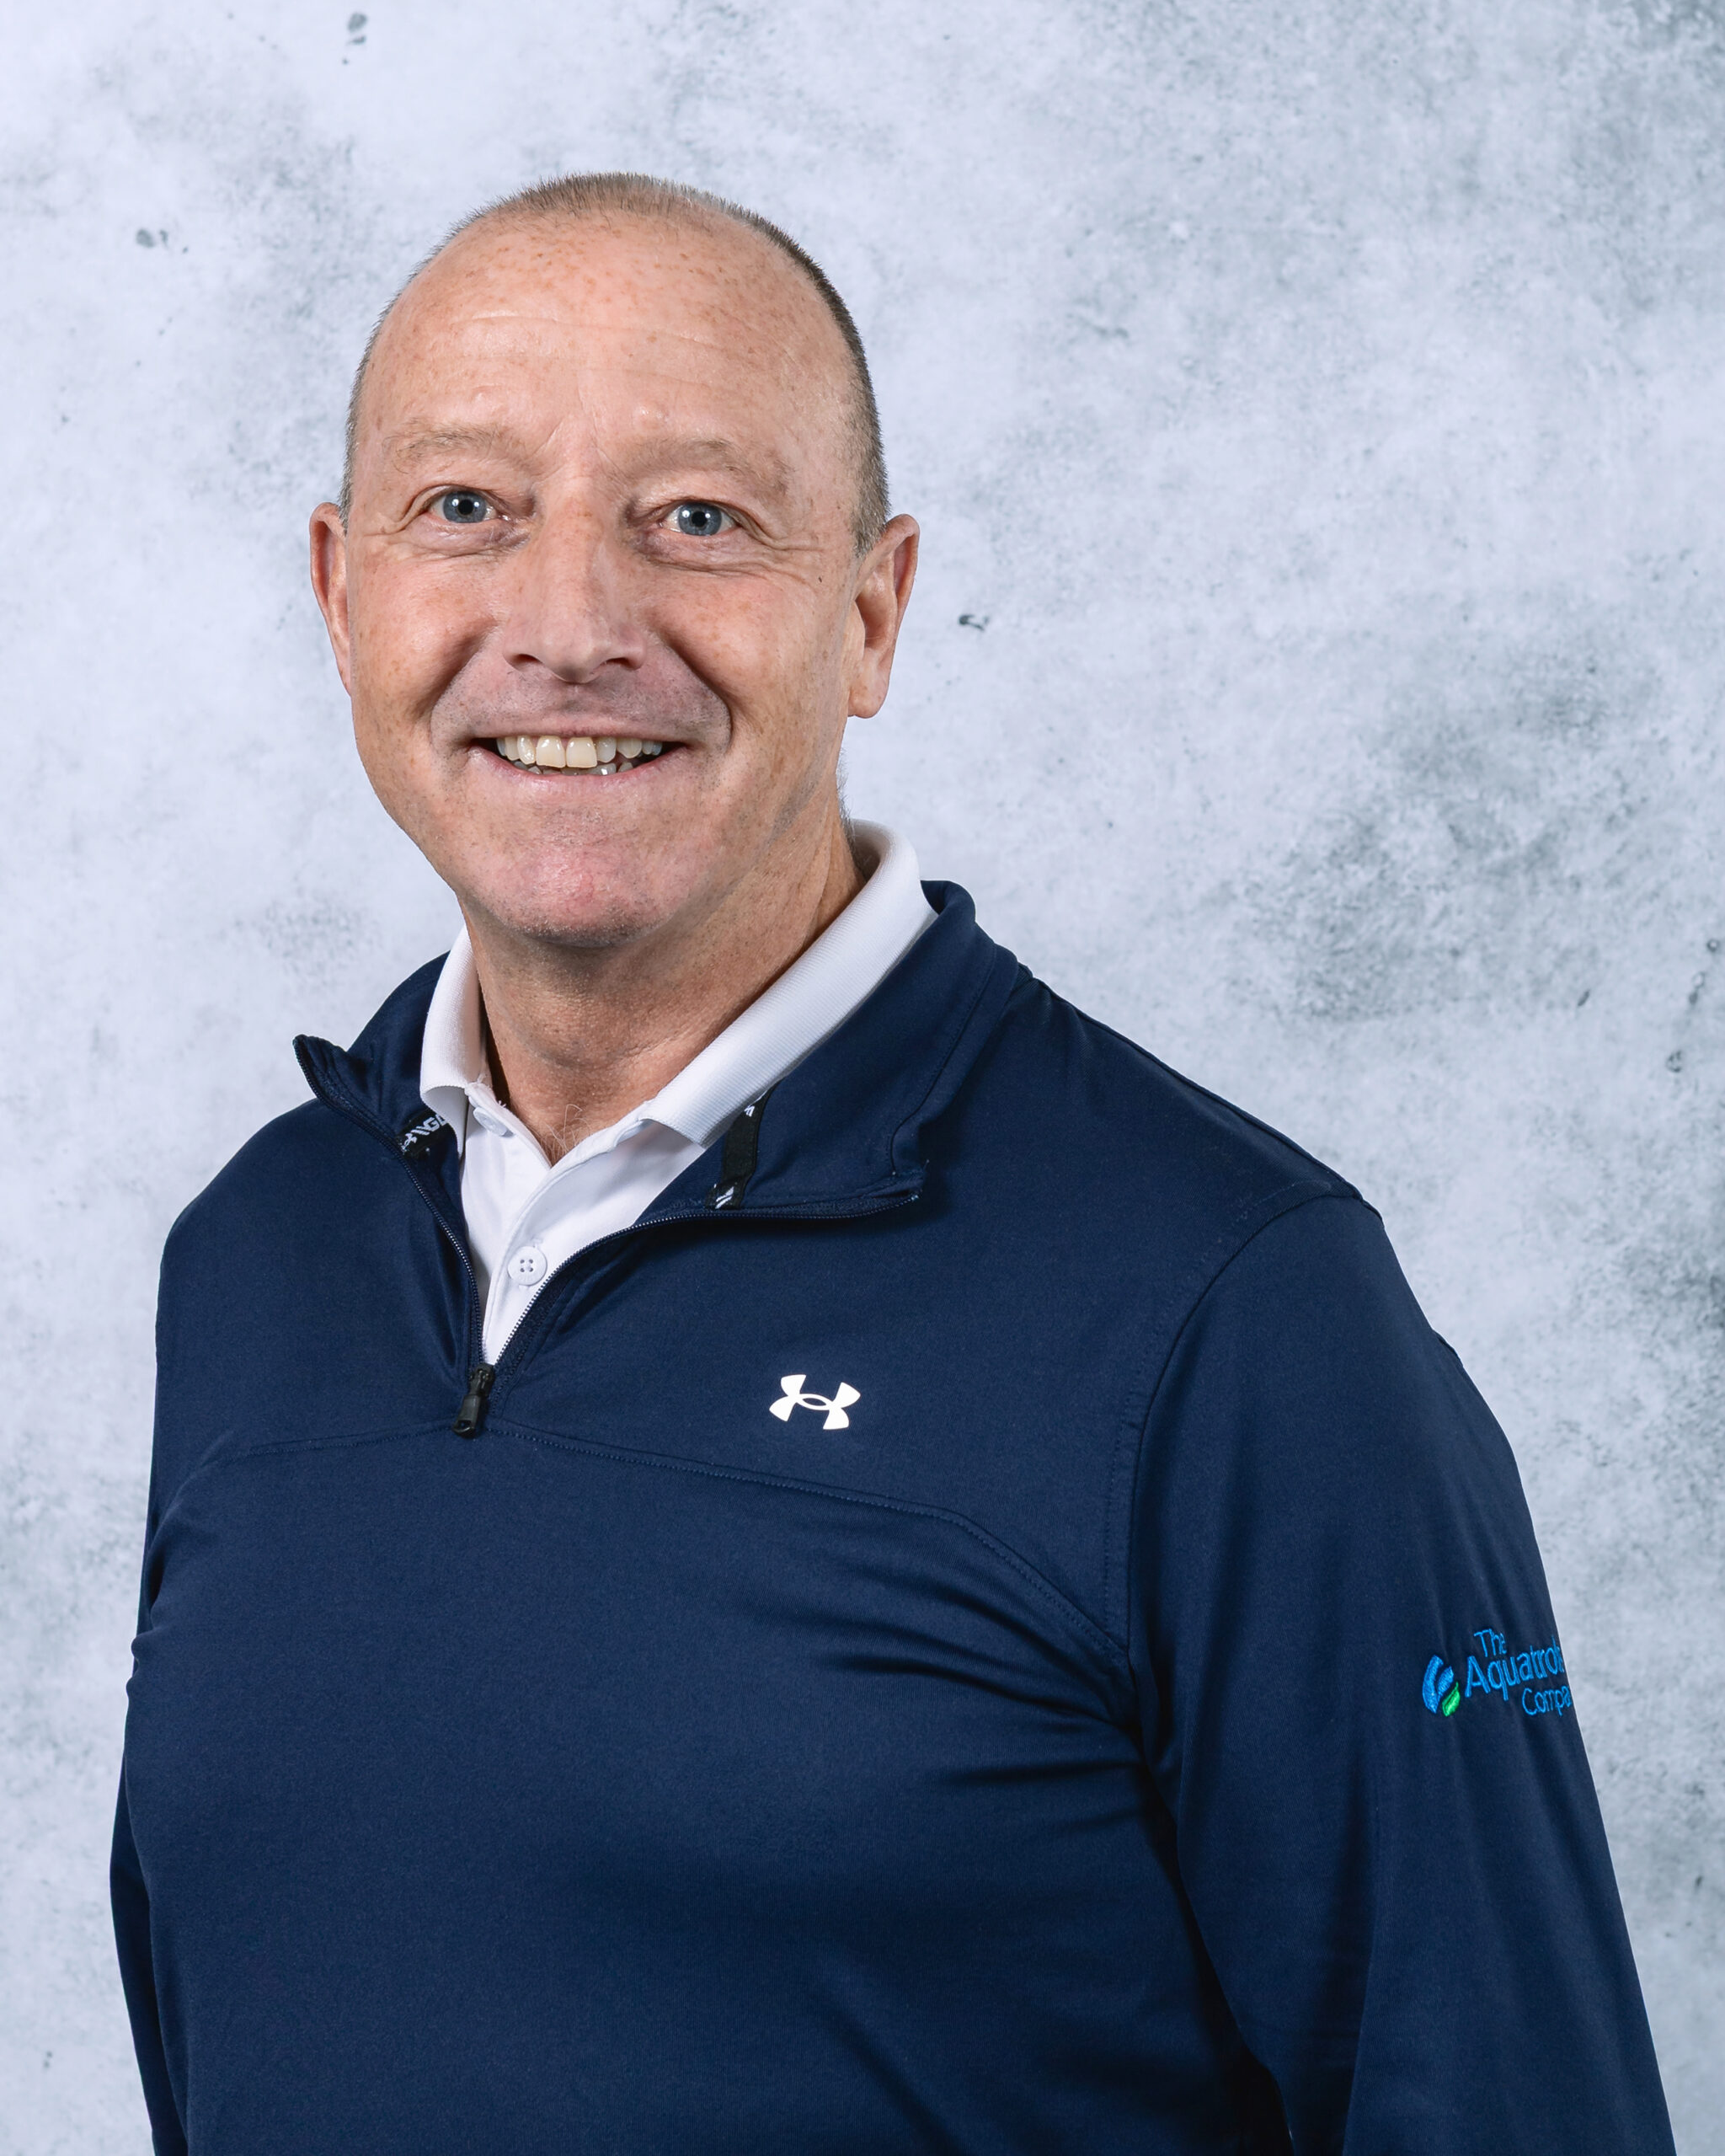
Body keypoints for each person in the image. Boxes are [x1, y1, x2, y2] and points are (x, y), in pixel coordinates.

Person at [110, 173, 1674, 2155]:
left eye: (697, 517)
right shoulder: (260, 1250)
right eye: (468, 506)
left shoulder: (1237, 1312)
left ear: (868, 613)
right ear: (345, 596)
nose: (570, 625)